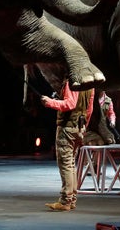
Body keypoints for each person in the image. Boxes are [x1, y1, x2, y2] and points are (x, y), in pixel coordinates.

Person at [41, 78, 94, 212]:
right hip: (79, 128)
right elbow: (90, 109)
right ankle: (71, 200)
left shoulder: (73, 82)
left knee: (66, 164)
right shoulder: (90, 85)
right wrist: (83, 128)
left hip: (67, 128)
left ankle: (65, 201)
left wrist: (49, 102)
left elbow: (70, 104)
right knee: (71, 165)